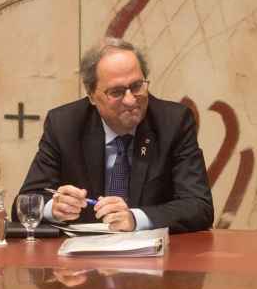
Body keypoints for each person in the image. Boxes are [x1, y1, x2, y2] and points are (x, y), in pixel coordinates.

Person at [11, 37, 213, 233]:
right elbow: (25, 203)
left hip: (153, 258)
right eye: (116, 92)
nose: (130, 100)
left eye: (136, 86)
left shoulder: (173, 122)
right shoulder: (64, 125)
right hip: (81, 260)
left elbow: (199, 206)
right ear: (91, 95)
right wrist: (54, 208)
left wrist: (135, 218)